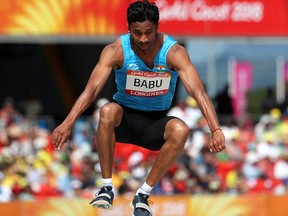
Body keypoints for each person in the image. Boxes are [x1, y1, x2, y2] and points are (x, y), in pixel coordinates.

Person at [52, 1, 225, 215]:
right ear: (128, 29)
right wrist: (67, 124)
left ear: (157, 28)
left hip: (155, 124)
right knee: (107, 111)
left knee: (181, 130)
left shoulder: (174, 53)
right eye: (137, 33)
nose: (143, 39)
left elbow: (198, 93)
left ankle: (143, 194)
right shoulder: (116, 51)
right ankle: (106, 187)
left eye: (148, 33)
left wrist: (215, 129)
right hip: (124, 120)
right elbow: (91, 91)